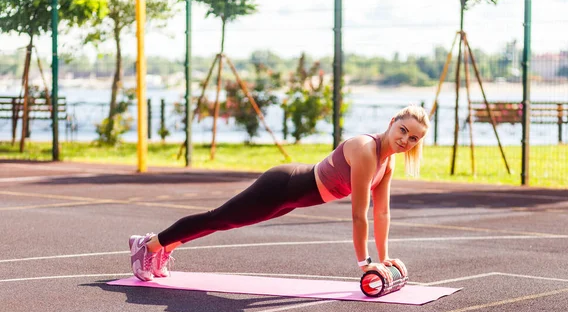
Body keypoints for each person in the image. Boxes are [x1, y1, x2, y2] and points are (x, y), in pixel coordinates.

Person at [129, 105, 430, 285]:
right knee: (220, 219)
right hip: (283, 186)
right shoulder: (366, 150)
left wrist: (385, 257)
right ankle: (149, 245)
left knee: (226, 222)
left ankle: (161, 247)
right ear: (392, 122)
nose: (405, 139)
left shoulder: (386, 164)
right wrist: (365, 263)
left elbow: (382, 213)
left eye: (413, 138)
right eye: (402, 130)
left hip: (293, 198)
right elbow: (358, 214)